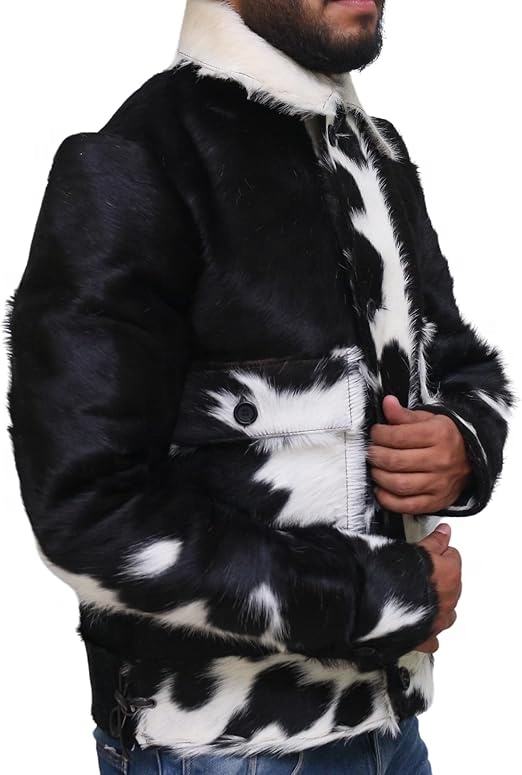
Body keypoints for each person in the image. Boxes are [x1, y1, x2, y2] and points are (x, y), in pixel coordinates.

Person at [6, 1, 513, 773]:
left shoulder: (373, 153)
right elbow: (86, 512)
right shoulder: (136, 159)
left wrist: (462, 442)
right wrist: (383, 597)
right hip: (223, 748)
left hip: (392, 728)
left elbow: (461, 361)